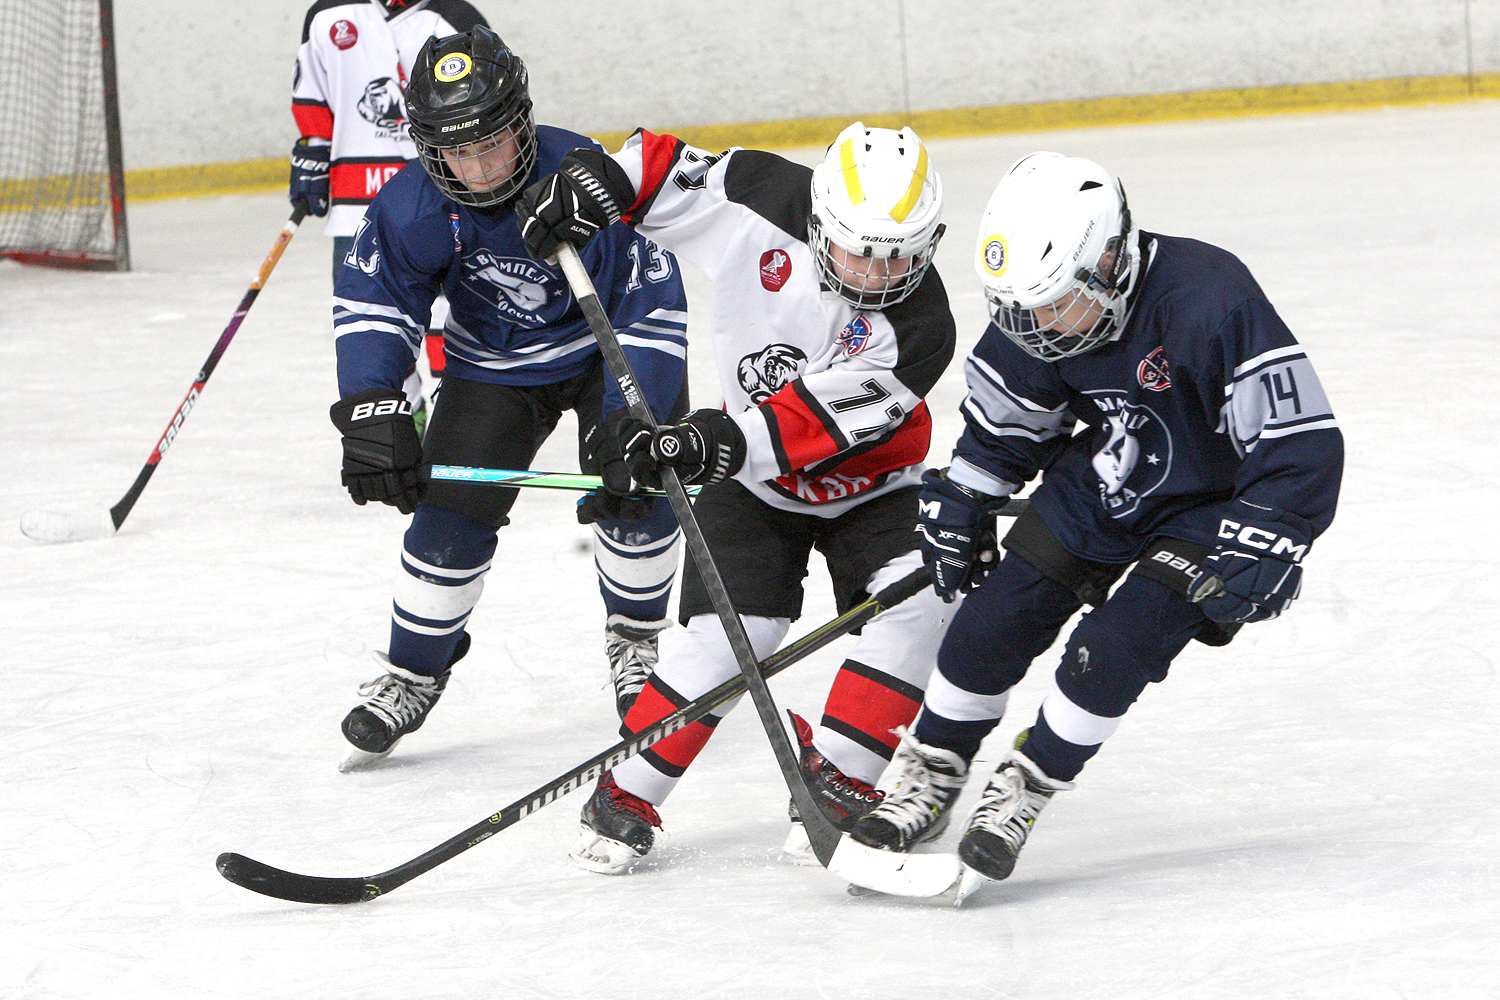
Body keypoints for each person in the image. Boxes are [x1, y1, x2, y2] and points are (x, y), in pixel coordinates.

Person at [847, 151, 1344, 886]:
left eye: (1056, 305)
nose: (1040, 327)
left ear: (1112, 259)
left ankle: (1029, 783)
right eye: (1025, 311)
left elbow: (1297, 437)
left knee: (1115, 648)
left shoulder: (1210, 298)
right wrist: (967, 494)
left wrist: (1274, 531)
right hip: (1109, 476)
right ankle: (934, 768)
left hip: (1213, 506)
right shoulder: (1039, 308)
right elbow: (1013, 418)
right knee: (990, 623)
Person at [516, 121, 959, 873]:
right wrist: (603, 183)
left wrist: (707, 441)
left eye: (899, 257)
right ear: (818, 219)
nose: (876, 274)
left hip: (875, 488)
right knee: (734, 634)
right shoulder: (762, 195)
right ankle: (624, 793)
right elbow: (661, 168)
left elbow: (809, 425)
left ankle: (838, 780)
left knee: (924, 602)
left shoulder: (922, 329)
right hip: (755, 490)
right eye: (858, 251)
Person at [328, 26, 690, 771]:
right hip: (491, 367)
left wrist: (635, 417)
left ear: (522, 122)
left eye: (492, 143)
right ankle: (413, 673)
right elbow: (376, 305)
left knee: (639, 494)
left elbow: (651, 305)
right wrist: (372, 405)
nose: (478, 167)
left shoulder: (587, 179)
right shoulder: (411, 206)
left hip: (607, 354)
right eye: (456, 151)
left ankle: (636, 642)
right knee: (446, 520)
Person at [291, 0, 486, 429]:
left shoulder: (456, 18)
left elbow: (488, 111)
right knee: (375, 334)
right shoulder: (327, 15)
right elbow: (313, 96)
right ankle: (403, 434)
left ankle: (454, 434)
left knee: (449, 332)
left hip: (439, 206)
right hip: (353, 209)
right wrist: (312, 149)